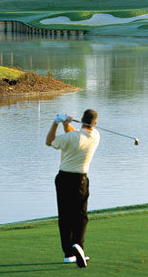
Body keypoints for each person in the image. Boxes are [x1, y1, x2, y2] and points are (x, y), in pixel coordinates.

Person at [45, 109, 100, 268]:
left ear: (82, 119)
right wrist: (66, 124)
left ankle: (68, 254)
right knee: (81, 216)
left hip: (63, 179)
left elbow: (50, 142)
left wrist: (56, 123)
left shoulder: (71, 137)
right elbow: (76, 136)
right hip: (80, 180)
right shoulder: (96, 136)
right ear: (95, 123)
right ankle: (79, 247)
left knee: (65, 215)